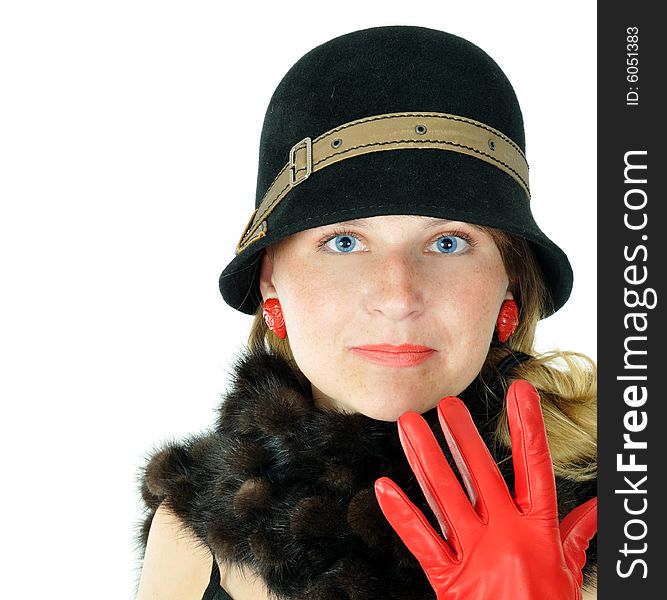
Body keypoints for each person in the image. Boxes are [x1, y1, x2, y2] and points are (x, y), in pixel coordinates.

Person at [135, 25, 597, 600]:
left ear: (510, 286)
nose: (399, 297)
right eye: (345, 242)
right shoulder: (192, 539)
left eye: (448, 242)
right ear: (270, 279)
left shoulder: (619, 517)